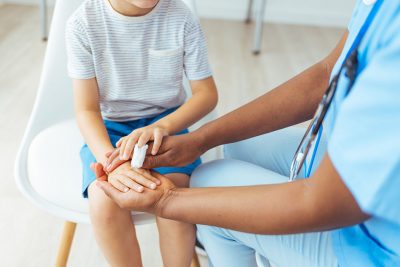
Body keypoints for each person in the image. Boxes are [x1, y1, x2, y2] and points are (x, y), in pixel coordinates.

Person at [97, 0, 400, 266]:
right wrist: (200, 140)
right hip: (350, 169)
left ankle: (224, 237)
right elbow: (326, 76)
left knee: (206, 185)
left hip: (375, 247)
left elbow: (324, 203)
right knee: (241, 147)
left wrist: (168, 201)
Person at [65, 0, 218, 266]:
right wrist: (111, 162)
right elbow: (86, 110)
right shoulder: (83, 23)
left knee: (176, 196)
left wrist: (162, 127)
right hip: (110, 129)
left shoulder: (181, 17)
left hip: (166, 124)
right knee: (103, 199)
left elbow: (207, 94)